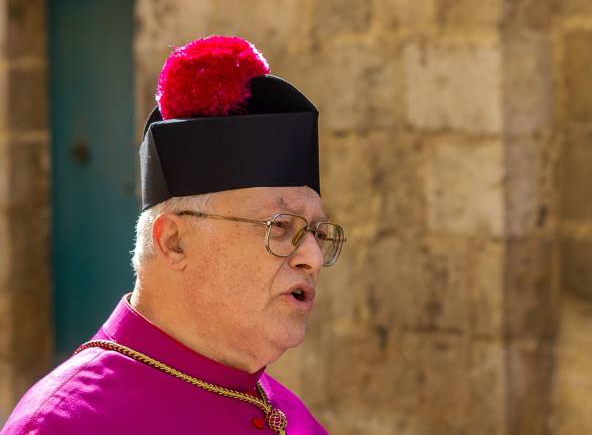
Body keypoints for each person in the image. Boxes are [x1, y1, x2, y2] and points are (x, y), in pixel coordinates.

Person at [1, 35, 345, 435]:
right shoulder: (65, 423)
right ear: (173, 241)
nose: (313, 258)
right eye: (281, 227)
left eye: (317, 233)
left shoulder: (291, 415)